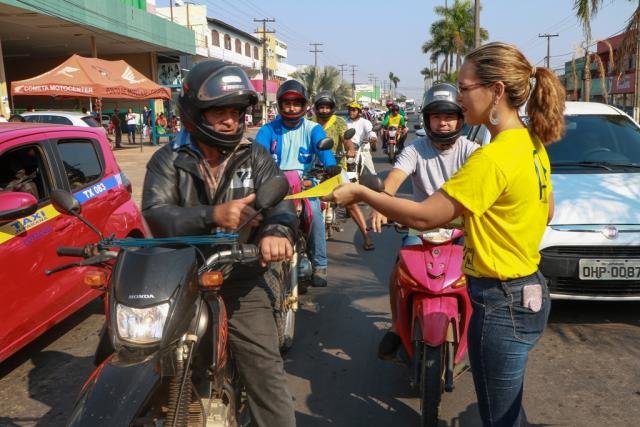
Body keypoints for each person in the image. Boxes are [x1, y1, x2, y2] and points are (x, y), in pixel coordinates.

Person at [326, 41, 565, 426]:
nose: (458, 100)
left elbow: (423, 217)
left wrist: (362, 193)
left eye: (464, 87)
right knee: (507, 410)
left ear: (497, 91)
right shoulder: (531, 144)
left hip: (501, 300)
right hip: (530, 291)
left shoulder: (491, 156)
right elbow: (547, 208)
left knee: (499, 418)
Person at [140, 59, 297, 427]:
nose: (230, 121)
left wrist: (276, 233)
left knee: (265, 372)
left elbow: (281, 207)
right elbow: (157, 213)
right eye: (218, 112)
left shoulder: (255, 156)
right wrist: (213, 215)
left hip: (240, 277)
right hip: (178, 277)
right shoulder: (168, 160)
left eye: (235, 112)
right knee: (134, 351)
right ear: (195, 113)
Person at [373, 82, 479, 359]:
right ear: (428, 118)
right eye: (437, 116)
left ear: (460, 118)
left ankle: (476, 324)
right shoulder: (415, 149)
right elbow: (395, 177)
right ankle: (398, 325)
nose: (443, 123)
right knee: (399, 273)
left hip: (463, 228)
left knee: (477, 278)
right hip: (421, 227)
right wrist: (383, 202)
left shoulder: (472, 150)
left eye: (449, 116)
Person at [255, 80, 336, 287]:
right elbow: (257, 155)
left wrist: (331, 166)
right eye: (287, 103)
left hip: (307, 183)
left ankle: (320, 264)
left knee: (315, 214)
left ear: (304, 105)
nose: (291, 107)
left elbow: (325, 152)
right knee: (254, 215)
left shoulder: (313, 128)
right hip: (274, 185)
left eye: (296, 103)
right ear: (280, 105)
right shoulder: (268, 130)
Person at [312, 91, 375, 251]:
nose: (324, 110)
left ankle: (366, 236)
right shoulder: (309, 122)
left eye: (327, 107)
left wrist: (351, 150)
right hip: (312, 168)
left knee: (351, 202)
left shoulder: (339, 122)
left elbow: (347, 141)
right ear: (316, 108)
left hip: (336, 167)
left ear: (332, 108)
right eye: (321, 107)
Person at [345, 101, 377, 176]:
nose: (351, 112)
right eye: (350, 110)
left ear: (359, 112)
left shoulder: (365, 122)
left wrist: (372, 137)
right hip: (348, 152)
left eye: (354, 110)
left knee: (372, 174)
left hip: (362, 151)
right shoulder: (345, 122)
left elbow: (370, 131)